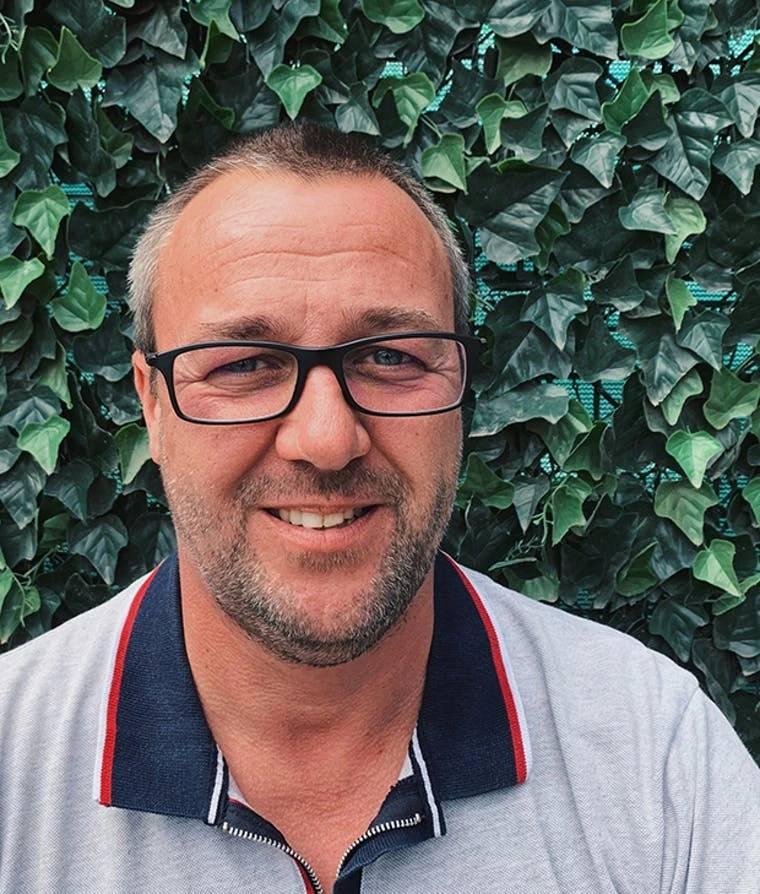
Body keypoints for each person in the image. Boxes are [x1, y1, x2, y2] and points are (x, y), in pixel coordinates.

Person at [0, 122, 758, 894]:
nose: (326, 440)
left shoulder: (654, 755)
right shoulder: (13, 758)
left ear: (461, 389)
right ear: (153, 405)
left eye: (391, 357)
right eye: (246, 364)